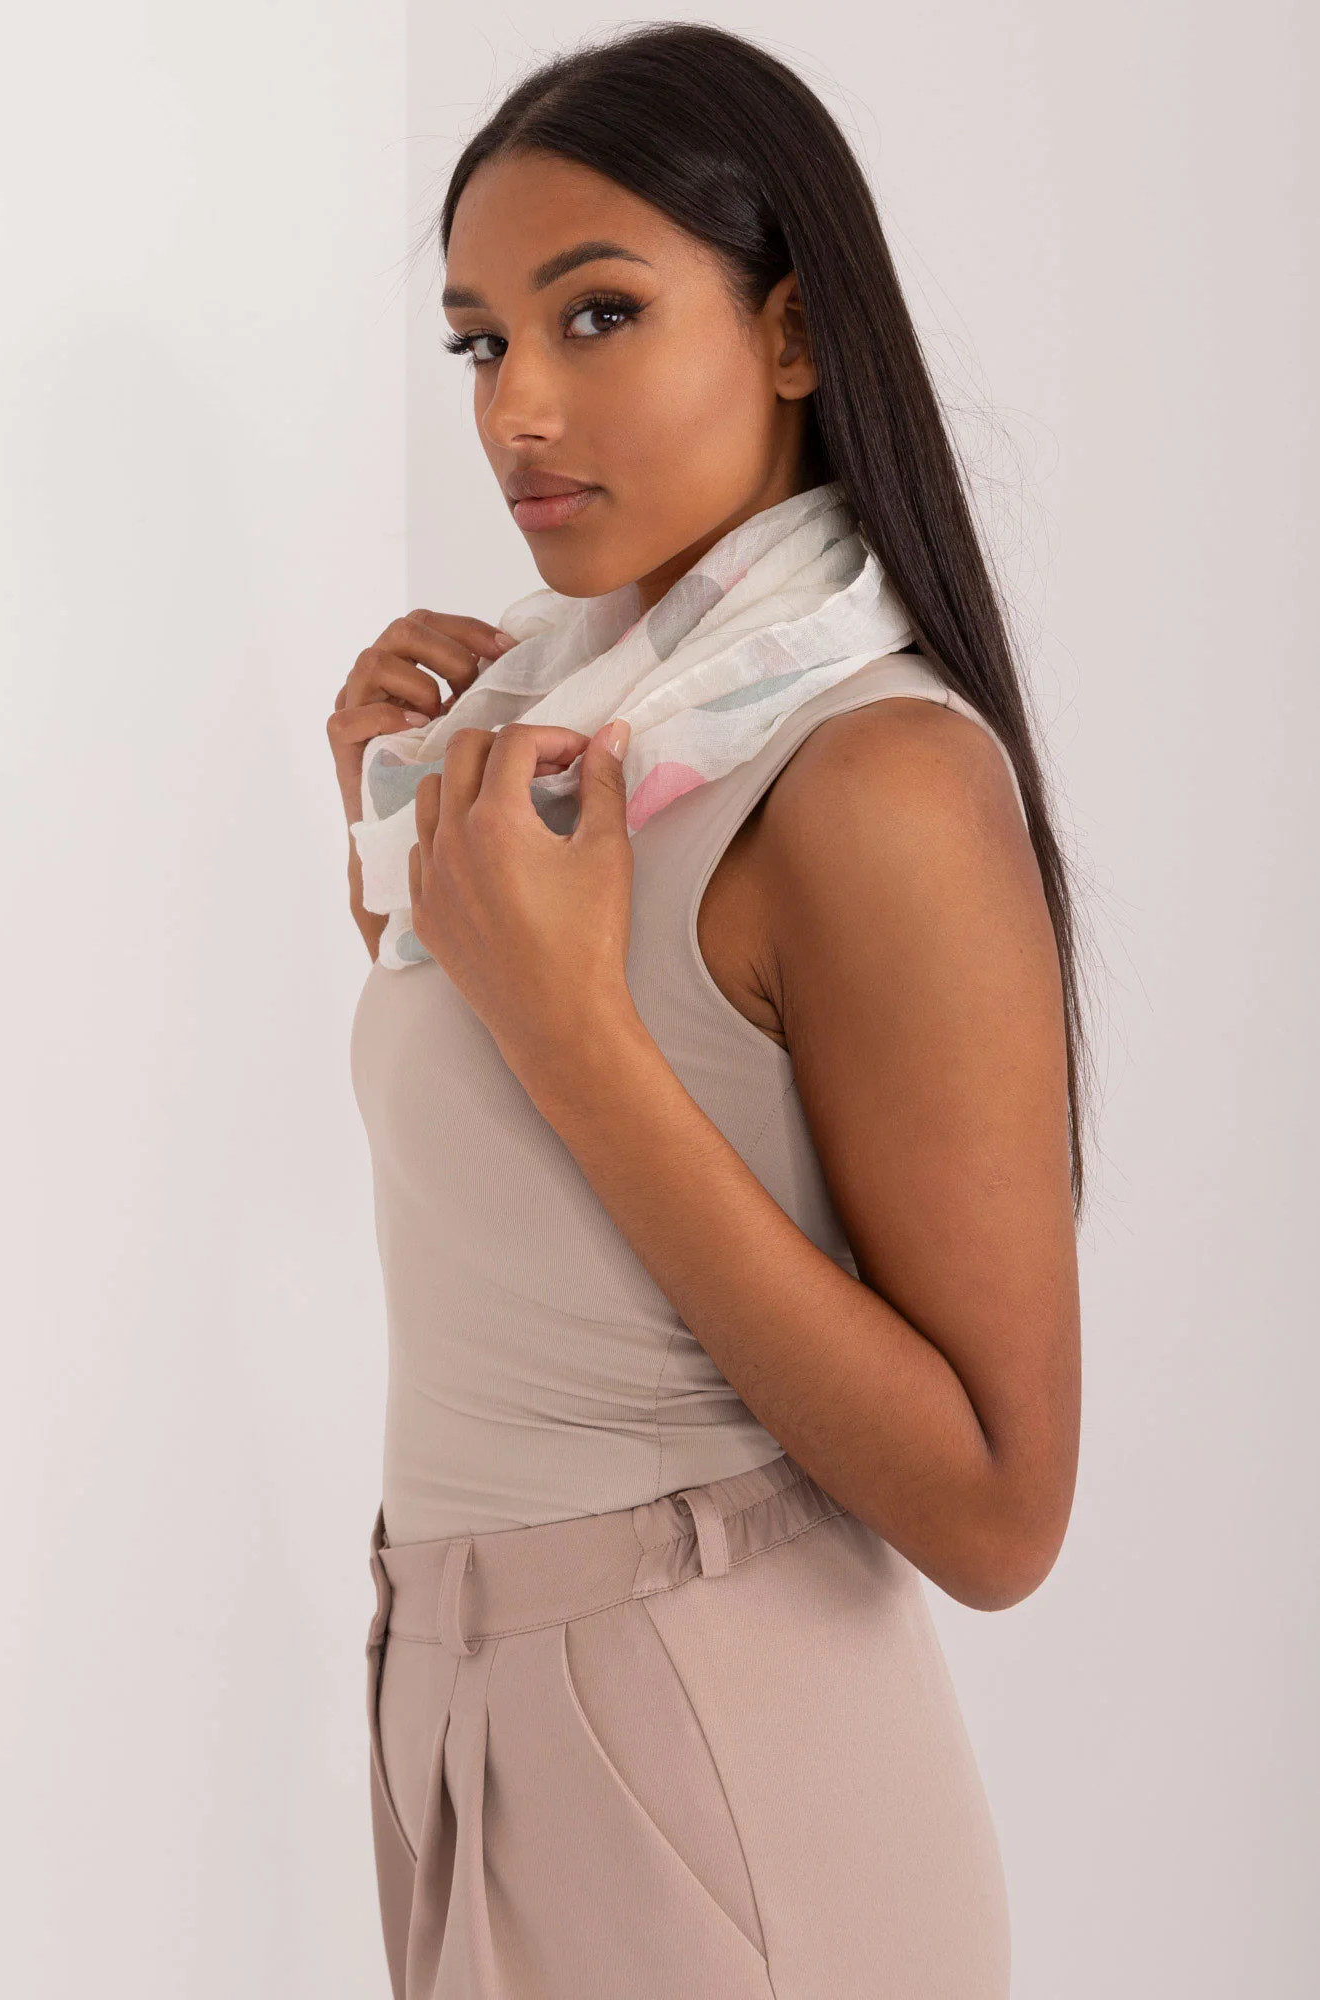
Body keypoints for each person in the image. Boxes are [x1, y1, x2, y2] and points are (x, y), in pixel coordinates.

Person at [330, 22, 1086, 1999]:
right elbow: (540, 1210)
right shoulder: (565, 727)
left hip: (717, 1743)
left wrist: (572, 1035)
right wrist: (397, 869)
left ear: (794, 332)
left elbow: (1002, 1511)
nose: (518, 407)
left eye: (598, 314)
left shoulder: (874, 776)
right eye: (481, 342)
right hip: (460, 1713)